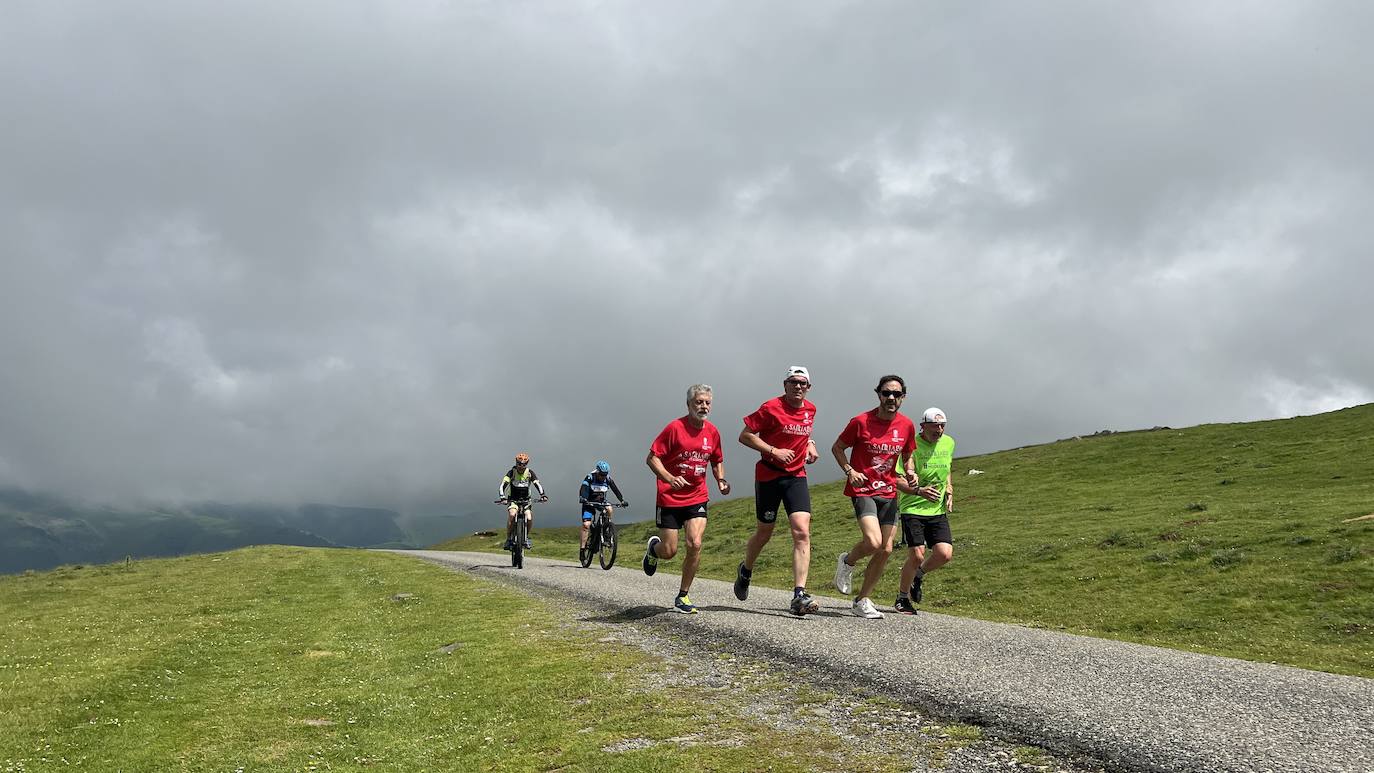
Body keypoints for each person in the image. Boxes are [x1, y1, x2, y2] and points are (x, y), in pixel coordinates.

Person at [734, 366, 821, 616]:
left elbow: (803, 430)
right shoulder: (770, 407)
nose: (798, 387)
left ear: (808, 387)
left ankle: (799, 595)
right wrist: (774, 450)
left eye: (802, 383)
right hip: (769, 475)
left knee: (802, 531)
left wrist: (810, 445)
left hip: (796, 476)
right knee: (764, 533)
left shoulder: (811, 409)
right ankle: (746, 570)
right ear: (785, 385)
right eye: (793, 382)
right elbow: (745, 435)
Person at [830, 375, 917, 619]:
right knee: (873, 542)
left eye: (896, 394)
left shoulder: (906, 425)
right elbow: (837, 447)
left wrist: (910, 471)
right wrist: (850, 471)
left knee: (886, 549)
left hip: (888, 491)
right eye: (886, 393)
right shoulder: (860, 422)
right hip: (863, 489)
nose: (891, 398)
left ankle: (862, 600)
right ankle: (847, 562)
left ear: (903, 398)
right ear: (878, 394)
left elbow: (909, 452)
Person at [644, 384, 731, 614]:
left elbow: (716, 459)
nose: (703, 406)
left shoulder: (712, 432)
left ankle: (683, 595)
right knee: (669, 552)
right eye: (699, 402)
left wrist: (720, 480)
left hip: (697, 496)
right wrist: (669, 478)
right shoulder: (674, 428)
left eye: (707, 402)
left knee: (695, 543)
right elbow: (652, 458)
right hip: (669, 498)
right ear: (689, 404)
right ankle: (654, 549)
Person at [894, 407, 956, 615]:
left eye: (942, 425)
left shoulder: (949, 442)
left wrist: (949, 489)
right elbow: (896, 479)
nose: (939, 430)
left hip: (936, 509)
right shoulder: (910, 446)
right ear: (923, 426)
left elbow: (946, 467)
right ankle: (902, 598)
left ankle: (918, 576)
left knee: (944, 554)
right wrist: (919, 491)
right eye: (934, 426)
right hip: (912, 507)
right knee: (917, 554)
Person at [578, 460, 628, 563]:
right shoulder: (590, 477)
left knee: (609, 509)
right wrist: (583, 497)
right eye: (601, 474)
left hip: (601, 502)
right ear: (597, 472)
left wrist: (622, 500)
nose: (603, 477)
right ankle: (582, 550)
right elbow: (583, 488)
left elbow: (615, 489)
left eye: (605, 474)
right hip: (589, 503)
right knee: (586, 525)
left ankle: (606, 529)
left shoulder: (608, 479)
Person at [498, 452, 547, 549]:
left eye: (524, 464)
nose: (521, 466)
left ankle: (526, 538)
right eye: (519, 464)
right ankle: (508, 539)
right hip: (513, 499)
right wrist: (502, 497)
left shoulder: (529, 473)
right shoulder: (512, 472)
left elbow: (537, 484)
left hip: (526, 500)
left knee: (529, 517)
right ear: (516, 463)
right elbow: (503, 485)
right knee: (512, 514)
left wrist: (543, 495)